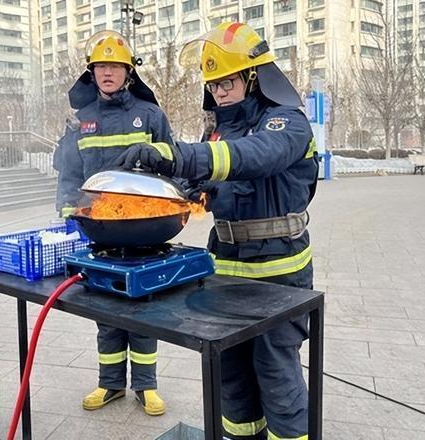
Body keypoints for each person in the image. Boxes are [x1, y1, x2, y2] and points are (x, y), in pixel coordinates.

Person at [115, 22, 318, 439]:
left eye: (226, 82)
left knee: (276, 377)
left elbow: (255, 157)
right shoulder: (220, 130)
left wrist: (178, 155)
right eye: (213, 85)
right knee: (231, 378)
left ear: (252, 76)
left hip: (279, 271)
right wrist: (151, 190)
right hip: (225, 270)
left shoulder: (287, 123)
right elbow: (203, 182)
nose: (219, 92)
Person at [55, 30, 173, 416]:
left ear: (128, 72)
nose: (108, 72)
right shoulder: (81, 122)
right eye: (101, 66)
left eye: (115, 66)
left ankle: (146, 386)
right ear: (92, 73)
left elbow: (173, 165)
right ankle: (110, 385)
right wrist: (67, 208)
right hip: (100, 228)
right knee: (106, 309)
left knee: (141, 307)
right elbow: (70, 173)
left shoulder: (150, 115)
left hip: (143, 228)